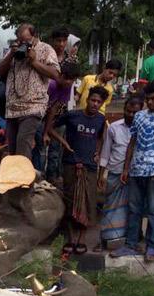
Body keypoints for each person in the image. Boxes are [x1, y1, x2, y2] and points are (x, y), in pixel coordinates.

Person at [111, 82, 154, 261]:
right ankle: (131, 244)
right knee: (134, 209)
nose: (150, 102)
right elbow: (132, 143)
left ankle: (151, 246)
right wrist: (126, 168)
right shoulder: (139, 116)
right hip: (136, 170)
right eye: (147, 99)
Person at [48, 86, 108, 255]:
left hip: (89, 167)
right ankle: (70, 239)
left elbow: (101, 137)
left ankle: (81, 240)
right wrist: (64, 143)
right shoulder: (73, 115)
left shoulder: (101, 120)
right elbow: (51, 128)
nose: (95, 104)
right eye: (93, 100)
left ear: (102, 103)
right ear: (87, 99)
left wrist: (97, 152)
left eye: (98, 102)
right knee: (69, 201)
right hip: (70, 164)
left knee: (87, 203)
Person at [0, 23, 61, 160]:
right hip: (12, 108)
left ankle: (24, 180)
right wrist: (11, 54)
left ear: (35, 36)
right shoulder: (14, 50)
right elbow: (0, 71)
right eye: (20, 40)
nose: (23, 44)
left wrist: (34, 61)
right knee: (13, 150)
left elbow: (55, 74)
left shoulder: (46, 49)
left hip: (33, 106)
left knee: (23, 146)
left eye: (26, 41)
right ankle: (16, 179)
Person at [99, 95, 144, 247]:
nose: (131, 115)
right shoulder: (114, 128)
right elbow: (105, 153)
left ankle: (132, 239)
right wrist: (101, 174)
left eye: (135, 113)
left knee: (133, 208)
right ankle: (106, 238)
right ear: (124, 110)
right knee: (110, 206)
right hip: (115, 173)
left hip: (136, 174)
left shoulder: (144, 129)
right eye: (128, 111)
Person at [43, 62, 81, 185]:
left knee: (55, 149)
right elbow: (43, 105)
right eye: (66, 78)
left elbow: (55, 108)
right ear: (61, 75)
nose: (69, 82)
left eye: (72, 80)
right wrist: (44, 132)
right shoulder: (51, 84)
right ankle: (39, 176)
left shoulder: (67, 87)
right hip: (39, 115)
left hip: (53, 118)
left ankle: (51, 177)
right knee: (41, 149)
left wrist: (48, 131)